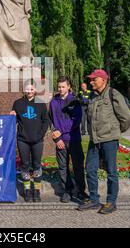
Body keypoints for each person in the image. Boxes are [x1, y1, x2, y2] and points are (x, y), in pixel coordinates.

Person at [77, 69, 130, 214]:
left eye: (94, 79)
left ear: (103, 80)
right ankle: (94, 200)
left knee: (111, 172)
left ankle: (111, 202)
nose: (91, 82)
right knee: (90, 169)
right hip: (94, 141)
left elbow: (127, 118)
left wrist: (115, 131)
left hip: (109, 140)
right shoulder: (93, 97)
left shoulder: (113, 94)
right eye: (91, 79)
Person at [49, 76, 88, 204]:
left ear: (69, 87)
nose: (60, 89)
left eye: (63, 86)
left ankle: (81, 191)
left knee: (78, 167)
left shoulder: (75, 101)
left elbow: (76, 121)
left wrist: (62, 131)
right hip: (60, 141)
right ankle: (68, 191)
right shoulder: (53, 102)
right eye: (59, 87)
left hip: (73, 139)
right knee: (63, 167)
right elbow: (51, 121)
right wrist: (57, 137)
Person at [10, 81, 49, 202]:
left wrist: (40, 134)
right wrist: (11, 116)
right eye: (27, 89)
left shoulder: (41, 103)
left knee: (37, 165)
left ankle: (36, 191)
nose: (29, 92)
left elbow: (45, 121)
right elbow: (13, 120)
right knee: (25, 165)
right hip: (23, 139)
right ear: (24, 90)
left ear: (35, 90)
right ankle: (27, 190)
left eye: (31, 89)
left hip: (37, 140)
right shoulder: (17, 103)